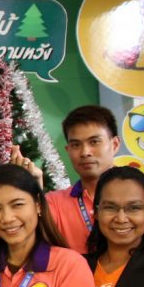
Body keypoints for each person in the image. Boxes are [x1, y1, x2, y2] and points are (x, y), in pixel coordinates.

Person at [45, 106, 121, 253]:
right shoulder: (53, 204)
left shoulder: (140, 198)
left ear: (115, 144)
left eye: (94, 142)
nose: (85, 152)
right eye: (76, 145)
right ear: (68, 150)